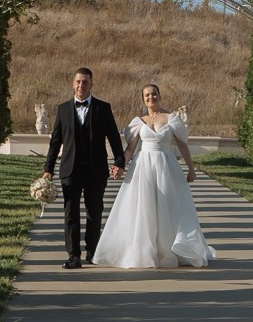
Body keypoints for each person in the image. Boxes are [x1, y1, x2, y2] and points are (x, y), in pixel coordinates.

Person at [90, 83, 214, 269]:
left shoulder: (171, 118)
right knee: (145, 207)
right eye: (147, 95)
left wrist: (191, 169)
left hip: (167, 167)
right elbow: (131, 149)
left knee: (168, 207)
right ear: (143, 98)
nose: (151, 97)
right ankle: (145, 251)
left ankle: (168, 250)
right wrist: (120, 165)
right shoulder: (139, 121)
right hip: (143, 167)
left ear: (159, 96)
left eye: (154, 94)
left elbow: (182, 145)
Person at [45, 67, 123, 269]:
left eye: (85, 82)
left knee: (94, 212)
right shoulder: (62, 110)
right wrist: (48, 169)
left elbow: (114, 137)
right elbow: (55, 142)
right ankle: (73, 255)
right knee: (71, 213)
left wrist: (119, 161)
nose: (81, 85)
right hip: (70, 169)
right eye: (78, 82)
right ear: (73, 83)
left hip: (95, 170)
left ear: (91, 85)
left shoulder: (103, 109)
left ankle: (92, 251)